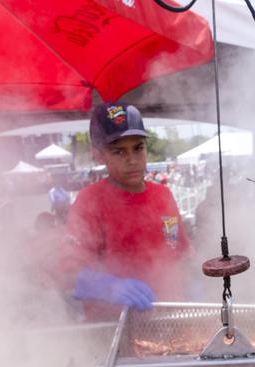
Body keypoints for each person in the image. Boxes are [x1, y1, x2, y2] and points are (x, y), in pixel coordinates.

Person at [57, 102, 193, 319]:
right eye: (119, 151)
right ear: (98, 155)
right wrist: (107, 287)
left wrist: (193, 289)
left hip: (171, 322)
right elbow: (67, 274)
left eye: (138, 148)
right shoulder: (89, 201)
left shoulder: (163, 195)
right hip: (116, 329)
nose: (132, 160)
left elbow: (179, 253)